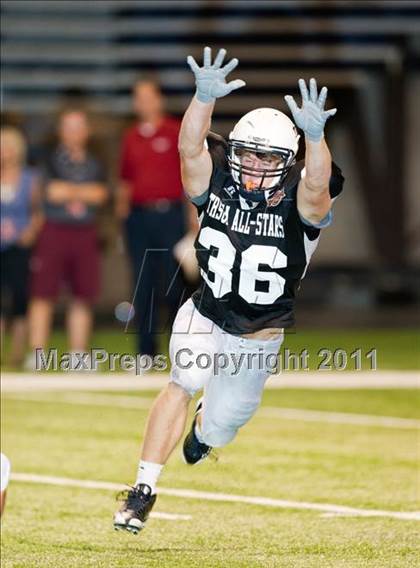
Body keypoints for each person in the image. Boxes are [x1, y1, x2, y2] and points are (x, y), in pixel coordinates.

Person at [114, 47, 344, 534]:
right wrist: (202, 99)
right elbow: (189, 150)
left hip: (257, 337)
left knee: (222, 424)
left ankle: (203, 434)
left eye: (269, 158)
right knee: (183, 381)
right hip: (206, 311)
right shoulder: (215, 182)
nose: (256, 166)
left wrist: (317, 136)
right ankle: (143, 489)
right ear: (234, 152)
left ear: (288, 163)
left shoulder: (301, 205)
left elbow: (318, 183)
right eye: (249, 154)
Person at [26, 107, 108, 367]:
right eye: (68, 127)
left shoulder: (96, 161)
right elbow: (51, 192)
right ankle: (37, 355)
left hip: (85, 232)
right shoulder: (48, 159)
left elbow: (101, 195)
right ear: (60, 131)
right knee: (43, 293)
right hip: (54, 230)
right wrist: (83, 192)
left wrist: (70, 192)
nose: (74, 133)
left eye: (78, 127)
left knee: (83, 295)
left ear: (87, 131)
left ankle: (78, 355)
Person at [117, 79, 186, 357]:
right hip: (138, 218)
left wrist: (193, 216)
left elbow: (189, 173)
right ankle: (146, 353)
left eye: (147, 97)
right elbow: (125, 181)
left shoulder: (174, 131)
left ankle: (181, 348)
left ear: (159, 100)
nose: (142, 103)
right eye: (138, 97)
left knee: (173, 283)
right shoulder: (131, 136)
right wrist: (121, 216)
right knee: (142, 284)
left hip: (171, 215)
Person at [1, 127, 42, 367]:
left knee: (19, 299)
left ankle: (16, 352)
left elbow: (37, 212)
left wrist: (30, 232)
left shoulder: (29, 178)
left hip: (19, 246)